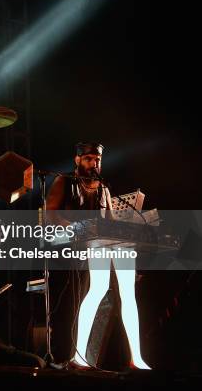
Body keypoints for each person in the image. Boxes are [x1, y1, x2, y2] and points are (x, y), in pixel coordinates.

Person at [46, 142, 150, 370]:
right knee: (98, 290)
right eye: (89, 159)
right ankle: (78, 355)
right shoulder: (64, 181)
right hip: (76, 243)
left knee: (128, 292)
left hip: (103, 242)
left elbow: (111, 223)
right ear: (78, 160)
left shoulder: (104, 187)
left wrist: (131, 229)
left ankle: (137, 358)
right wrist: (81, 228)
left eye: (98, 159)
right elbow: (50, 215)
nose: (94, 163)